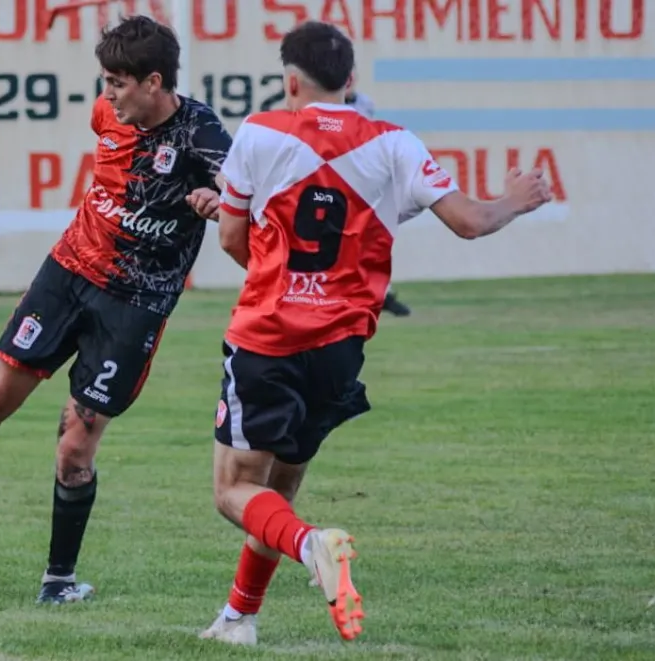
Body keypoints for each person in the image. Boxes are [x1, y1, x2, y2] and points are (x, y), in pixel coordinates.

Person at [199, 21, 552, 645]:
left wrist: (273, 271)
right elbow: (470, 222)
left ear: (289, 80)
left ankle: (314, 545)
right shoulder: (394, 143)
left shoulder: (258, 132)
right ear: (352, 80)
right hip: (339, 351)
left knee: (235, 489)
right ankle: (238, 620)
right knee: (279, 488)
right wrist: (514, 200)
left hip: (268, 338)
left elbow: (232, 239)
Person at [0, 15, 234, 606]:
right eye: (105, 80)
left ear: (154, 81)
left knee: (75, 446)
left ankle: (57, 581)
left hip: (135, 305)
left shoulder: (202, 133)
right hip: (66, 275)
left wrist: (220, 201)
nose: (107, 93)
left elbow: (248, 193)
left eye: (118, 82)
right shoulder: (106, 116)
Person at [345, 80, 411, 317]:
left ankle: (382, 293)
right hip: (336, 178)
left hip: (361, 179)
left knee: (372, 239)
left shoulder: (363, 103)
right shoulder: (322, 105)